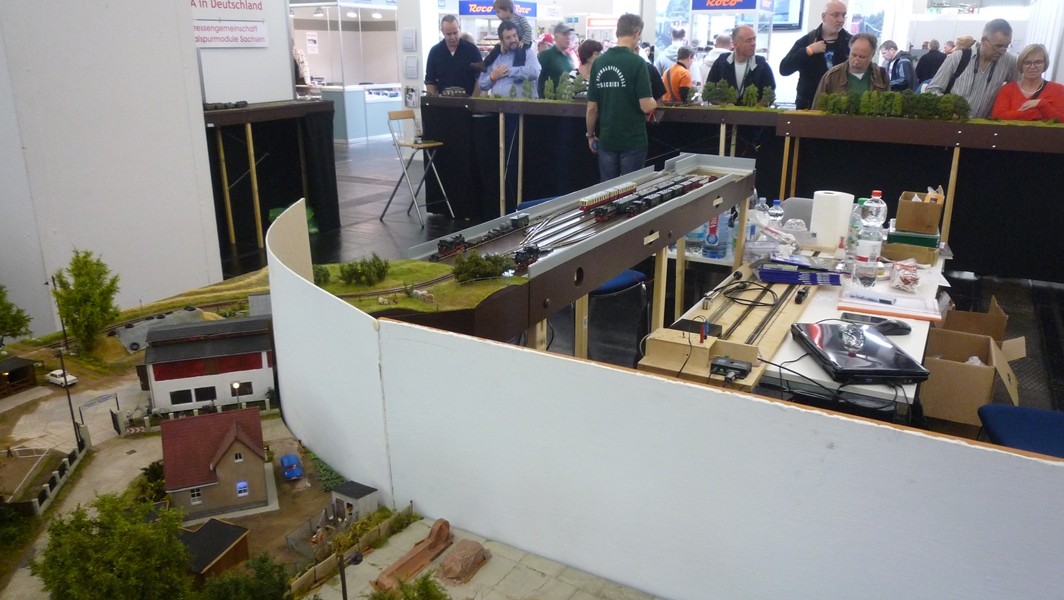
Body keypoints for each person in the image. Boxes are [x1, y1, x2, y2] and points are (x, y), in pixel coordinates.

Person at [586, 13, 656, 181]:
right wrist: (654, 101)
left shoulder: (599, 63)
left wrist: (590, 135)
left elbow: (592, 108)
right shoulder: (637, 63)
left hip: (607, 140)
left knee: (607, 191)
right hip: (633, 140)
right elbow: (646, 106)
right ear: (637, 33)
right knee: (630, 191)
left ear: (618, 32)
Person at [925, 19, 1017, 119]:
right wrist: (949, 109)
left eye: (1006, 46)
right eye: (998, 46)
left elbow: (1020, 89)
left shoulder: (1009, 62)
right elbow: (932, 89)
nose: (1002, 51)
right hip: (952, 123)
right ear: (983, 40)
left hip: (984, 126)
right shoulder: (957, 58)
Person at [780, 0, 852, 109]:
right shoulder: (808, 40)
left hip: (840, 105)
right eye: (836, 15)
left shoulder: (850, 43)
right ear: (823, 17)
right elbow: (784, 69)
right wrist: (808, 51)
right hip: (808, 105)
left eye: (843, 15)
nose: (841, 20)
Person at [812, 33, 888, 108]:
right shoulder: (832, 76)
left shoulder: (881, 75)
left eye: (862, 57)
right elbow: (816, 109)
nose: (856, 61)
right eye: (853, 55)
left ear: (872, 55)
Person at [991, 44, 1064, 122]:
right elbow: (997, 117)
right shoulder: (1007, 89)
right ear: (1021, 65)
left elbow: (1062, 119)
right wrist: (1036, 113)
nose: (1032, 67)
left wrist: (1042, 104)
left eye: (1038, 62)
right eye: (1027, 63)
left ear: (1045, 64)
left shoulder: (1059, 90)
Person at [707, 25, 776, 104]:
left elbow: (770, 95)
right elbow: (709, 92)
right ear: (735, 44)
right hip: (726, 111)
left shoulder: (761, 65)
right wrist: (725, 106)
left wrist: (755, 109)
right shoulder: (721, 63)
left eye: (754, 39)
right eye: (748, 40)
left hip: (752, 111)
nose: (753, 43)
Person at [479, 20, 540, 98]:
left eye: (514, 36)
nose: (513, 40)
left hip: (523, 104)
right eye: (508, 38)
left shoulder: (527, 52)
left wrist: (508, 71)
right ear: (502, 40)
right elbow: (482, 85)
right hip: (499, 104)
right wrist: (492, 77)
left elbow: (534, 72)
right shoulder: (495, 56)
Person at [424, 15, 483, 96]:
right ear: (442, 32)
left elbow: (480, 78)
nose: (453, 37)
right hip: (442, 102)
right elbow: (430, 80)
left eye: (455, 33)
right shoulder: (435, 52)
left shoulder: (472, 50)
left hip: (468, 101)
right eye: (448, 34)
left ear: (459, 29)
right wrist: (432, 100)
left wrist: (473, 100)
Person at [474, 0, 532, 72]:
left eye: (498, 12)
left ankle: (517, 68)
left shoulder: (519, 18)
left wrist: (523, 41)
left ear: (507, 10)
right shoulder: (505, 21)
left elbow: (528, 29)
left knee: (520, 51)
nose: (497, 15)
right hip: (514, 40)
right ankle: (485, 64)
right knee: (497, 47)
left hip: (524, 40)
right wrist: (503, 43)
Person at [538, 23, 575, 97]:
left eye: (569, 34)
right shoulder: (546, 55)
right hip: (550, 100)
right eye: (564, 34)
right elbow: (537, 78)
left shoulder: (568, 57)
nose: (568, 37)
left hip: (566, 99)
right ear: (556, 37)